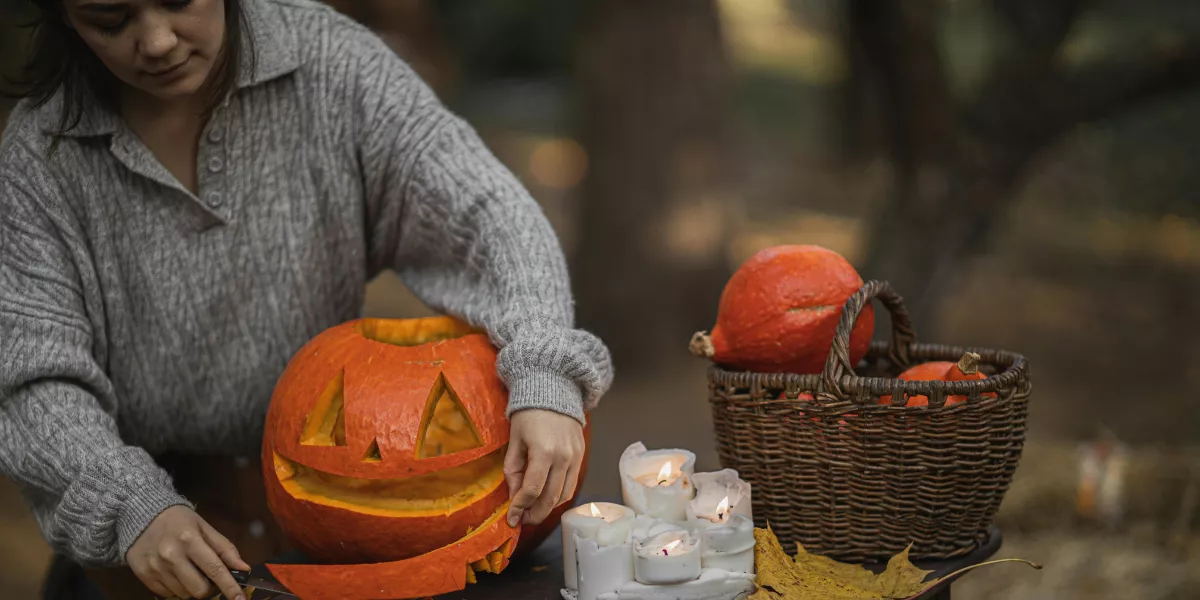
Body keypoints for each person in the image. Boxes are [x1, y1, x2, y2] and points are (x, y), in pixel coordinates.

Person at [0, 0, 614, 598]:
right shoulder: (38, 157)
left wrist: (543, 363)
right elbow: (31, 377)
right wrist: (126, 504)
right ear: (62, 16)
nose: (157, 39)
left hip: (340, 532)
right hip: (149, 550)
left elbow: (487, 212)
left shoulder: (332, 64)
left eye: (178, 0)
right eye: (110, 20)